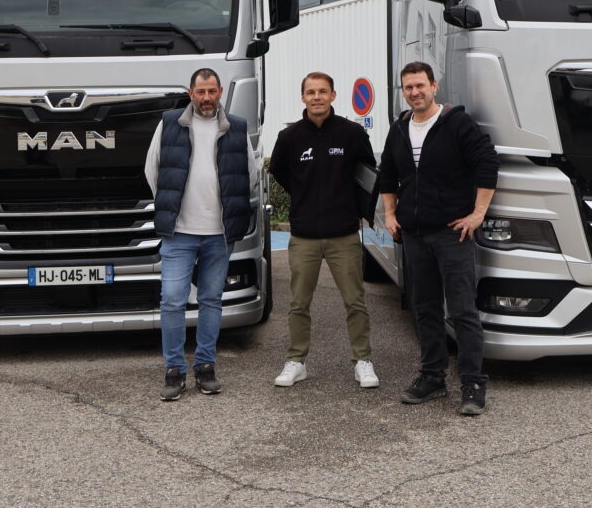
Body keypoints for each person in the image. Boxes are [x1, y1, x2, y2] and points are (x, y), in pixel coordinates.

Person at [378, 61, 498, 416]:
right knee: (424, 309)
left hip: (451, 234)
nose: (415, 92)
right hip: (414, 235)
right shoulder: (400, 129)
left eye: (420, 86)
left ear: (434, 86)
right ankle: (432, 377)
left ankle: (473, 384)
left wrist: (477, 215)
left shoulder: (457, 123)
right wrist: (389, 214)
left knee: (462, 310)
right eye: (408, 88)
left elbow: (487, 164)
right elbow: (387, 173)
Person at [144, 68, 254, 401]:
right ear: (190, 93)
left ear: (220, 91)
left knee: (210, 300)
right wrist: (171, 208)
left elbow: (248, 175)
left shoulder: (236, 127)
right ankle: (174, 370)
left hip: (219, 234)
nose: (206, 98)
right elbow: (153, 170)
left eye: (212, 91)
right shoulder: (170, 123)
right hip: (178, 233)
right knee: (173, 300)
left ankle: (206, 367)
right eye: (200, 92)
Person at [269, 72, 379, 389]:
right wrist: (303, 195)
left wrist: (355, 209)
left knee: (355, 302)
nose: (317, 97)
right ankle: (296, 361)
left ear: (333, 95)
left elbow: (367, 176)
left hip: (343, 235)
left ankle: (362, 361)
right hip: (303, 236)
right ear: (302, 97)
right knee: (298, 304)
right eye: (310, 92)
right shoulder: (289, 137)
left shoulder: (352, 133)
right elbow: (278, 171)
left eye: (323, 91)